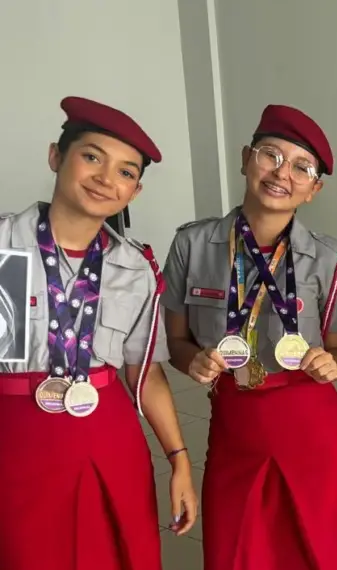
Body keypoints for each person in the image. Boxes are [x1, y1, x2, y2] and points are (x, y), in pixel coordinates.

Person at [161, 104, 337, 570]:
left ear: (314, 189)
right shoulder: (192, 246)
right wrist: (192, 360)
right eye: (270, 155)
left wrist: (332, 364)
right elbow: (177, 343)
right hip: (236, 423)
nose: (283, 174)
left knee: (326, 549)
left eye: (302, 168)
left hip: (312, 427)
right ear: (244, 159)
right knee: (239, 549)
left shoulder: (327, 258)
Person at [0, 96, 198, 570]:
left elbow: (143, 372)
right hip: (17, 436)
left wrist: (179, 458)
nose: (107, 180)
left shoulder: (136, 268)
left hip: (107, 433)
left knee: (115, 551)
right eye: (92, 157)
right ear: (56, 156)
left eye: (127, 172)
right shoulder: (5, 248)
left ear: (135, 192)